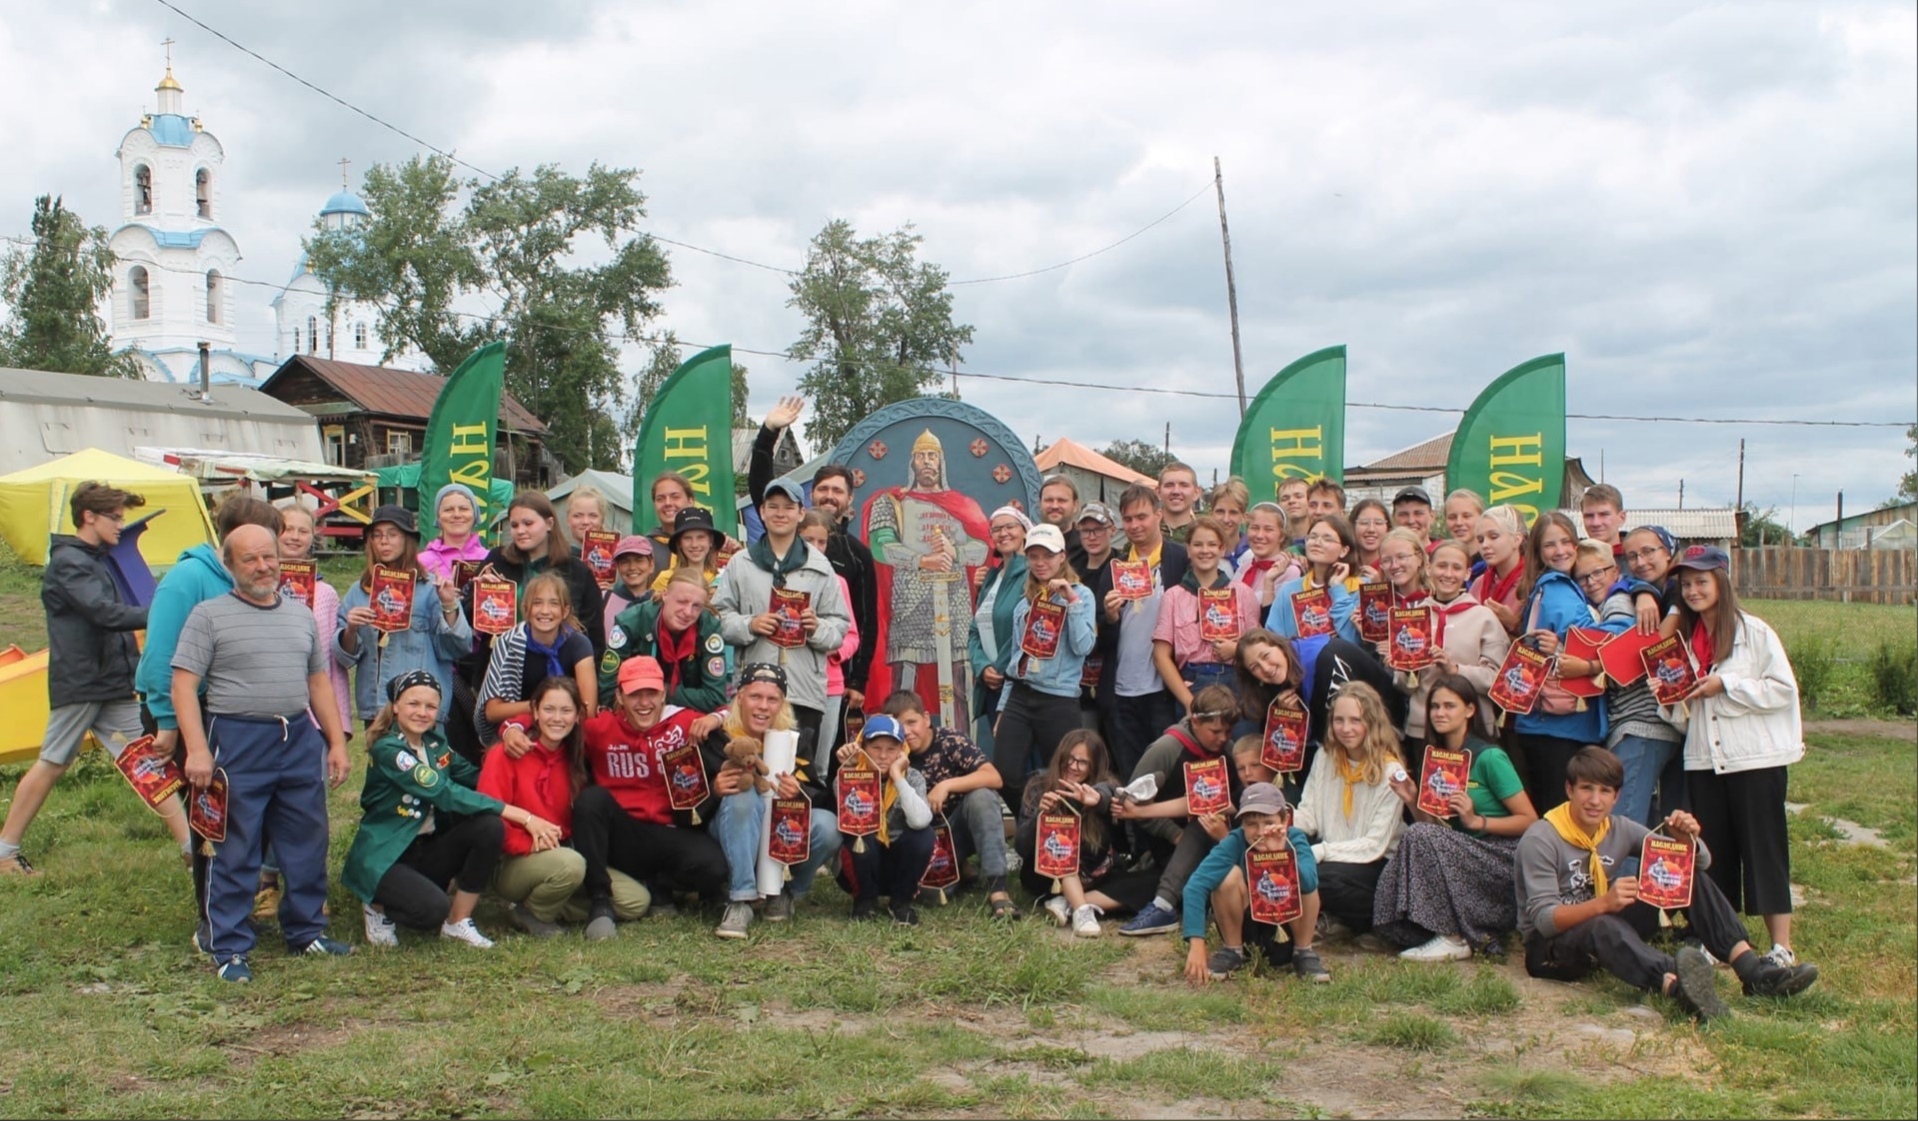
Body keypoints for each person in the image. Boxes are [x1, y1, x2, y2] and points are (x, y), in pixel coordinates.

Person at [1517, 746, 1818, 1022]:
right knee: (1603, 925)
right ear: (1570, 789)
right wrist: (1603, 904)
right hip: (1550, 949)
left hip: (1602, 924)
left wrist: (1687, 840)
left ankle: (1753, 971)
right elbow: (1544, 921)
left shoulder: (1618, 828)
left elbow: (1699, 864)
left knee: (1680, 874)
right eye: (1586, 789)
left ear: (1616, 797)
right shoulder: (1542, 838)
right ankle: (1676, 985)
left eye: (1604, 791)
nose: (1595, 800)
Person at [171, 525, 352, 982]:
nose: (262, 566)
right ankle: (228, 946)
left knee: (307, 839)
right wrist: (195, 749)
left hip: (296, 738)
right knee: (233, 845)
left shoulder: (299, 615)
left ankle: (307, 931)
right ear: (230, 565)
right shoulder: (208, 616)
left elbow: (317, 684)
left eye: (268, 556)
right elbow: (184, 686)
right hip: (235, 739)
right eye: (249, 559)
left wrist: (334, 742)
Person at [1, 482, 191, 877]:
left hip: (112, 681)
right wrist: (163, 612)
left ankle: (193, 848)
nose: (122, 525)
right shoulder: (70, 562)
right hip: (84, 683)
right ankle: (5, 851)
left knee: (149, 760)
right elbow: (104, 613)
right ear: (89, 517)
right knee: (53, 762)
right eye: (115, 518)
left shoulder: (96, 558)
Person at [133, 495, 283, 934]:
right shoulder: (188, 578)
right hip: (184, 712)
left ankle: (238, 905)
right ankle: (212, 919)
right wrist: (166, 723)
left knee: (244, 813)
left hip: (231, 712)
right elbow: (162, 655)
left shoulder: (249, 581)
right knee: (211, 818)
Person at [1671, 545, 1805, 968]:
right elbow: (1679, 716)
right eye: (1686, 584)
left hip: (1754, 760)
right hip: (1704, 760)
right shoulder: (1684, 642)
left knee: (1763, 850)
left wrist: (1725, 686)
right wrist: (1674, 697)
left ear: (1722, 582)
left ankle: (1780, 946)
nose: (1693, 591)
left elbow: (1782, 690)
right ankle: (1721, 943)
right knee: (1717, 853)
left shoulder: (1754, 633)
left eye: (1701, 582)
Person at [343, 672, 529, 950]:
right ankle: (377, 904)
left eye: (430, 707)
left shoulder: (435, 744)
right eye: (413, 704)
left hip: (424, 849)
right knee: (430, 910)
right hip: (387, 855)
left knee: (490, 827)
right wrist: (519, 814)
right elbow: (444, 792)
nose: (422, 712)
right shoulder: (388, 748)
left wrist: (514, 773)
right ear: (395, 706)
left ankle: (458, 921)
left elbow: (475, 777)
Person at [558, 656, 729, 938]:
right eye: (635, 694)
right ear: (619, 696)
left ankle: (659, 885)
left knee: (714, 867)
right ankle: (600, 901)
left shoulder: (684, 721)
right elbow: (553, 722)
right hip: (623, 832)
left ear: (663, 694)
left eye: (651, 693)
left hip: (670, 829)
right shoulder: (600, 727)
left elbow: (733, 712)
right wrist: (512, 727)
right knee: (592, 800)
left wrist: (715, 717)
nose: (644, 702)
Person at [1374, 674, 1538, 961]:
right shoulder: (1437, 759)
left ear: (1470, 710)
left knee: (1417, 836)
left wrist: (1478, 821)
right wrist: (1412, 798)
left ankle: (1454, 936)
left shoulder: (1489, 758)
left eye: (1449, 706)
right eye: (1434, 707)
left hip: (1499, 854)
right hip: (1460, 851)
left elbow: (1530, 821)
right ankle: (1433, 931)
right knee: (1412, 842)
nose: (1440, 713)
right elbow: (1432, 831)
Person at [749, 398, 878, 722]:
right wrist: (768, 433)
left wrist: (857, 680)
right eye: (823, 489)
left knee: (822, 762)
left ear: (849, 499)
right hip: (778, 672)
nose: (829, 496)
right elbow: (761, 489)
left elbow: (864, 621)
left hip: (831, 680)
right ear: (811, 497)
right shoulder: (788, 540)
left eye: (838, 490)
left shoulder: (857, 555)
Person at [863, 429, 992, 731]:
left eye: (932, 455)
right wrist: (923, 560)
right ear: (912, 462)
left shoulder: (961, 505)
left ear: (941, 461)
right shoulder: (893, 503)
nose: (927, 462)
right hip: (910, 607)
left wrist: (956, 552)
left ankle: (962, 748)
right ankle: (896, 748)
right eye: (921, 456)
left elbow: (984, 546)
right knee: (903, 689)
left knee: (959, 685)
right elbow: (881, 544)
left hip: (955, 607)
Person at [713, 478, 852, 755]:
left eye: (788, 507)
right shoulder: (740, 563)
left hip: (804, 691)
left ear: (801, 513)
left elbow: (839, 627)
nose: (780, 513)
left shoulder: (820, 566)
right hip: (754, 694)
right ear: (762, 512)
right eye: (772, 506)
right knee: (751, 769)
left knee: (797, 781)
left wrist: (816, 628)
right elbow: (718, 619)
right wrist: (750, 624)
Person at [706, 663, 843, 938]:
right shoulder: (717, 738)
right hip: (730, 830)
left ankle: (786, 893)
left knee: (828, 826)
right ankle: (741, 899)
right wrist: (715, 790)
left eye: (772, 699)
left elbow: (818, 793)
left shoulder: (794, 740)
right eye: (755, 696)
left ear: (782, 704)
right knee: (742, 797)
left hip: (780, 831)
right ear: (740, 697)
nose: (763, 706)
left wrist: (799, 792)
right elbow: (688, 809)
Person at [1114, 685, 1244, 938]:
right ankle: (1163, 905)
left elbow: (1236, 802)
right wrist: (1174, 834)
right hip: (1170, 841)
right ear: (1195, 721)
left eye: (1228, 731)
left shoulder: (1227, 749)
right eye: (1215, 731)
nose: (1222, 738)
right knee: (1203, 817)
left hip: (1216, 837)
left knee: (1207, 814)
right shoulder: (1166, 749)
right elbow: (1131, 807)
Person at [337, 505, 473, 735]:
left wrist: (449, 604)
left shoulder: (432, 589)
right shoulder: (358, 592)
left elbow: (458, 648)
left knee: (424, 770)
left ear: (408, 540)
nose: (384, 542)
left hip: (422, 710)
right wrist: (350, 629)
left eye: (392, 534)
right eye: (377, 535)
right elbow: (344, 657)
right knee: (382, 769)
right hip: (377, 709)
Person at [475, 676, 595, 938]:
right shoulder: (507, 753)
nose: (557, 718)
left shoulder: (574, 756)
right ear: (535, 713)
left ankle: (541, 903)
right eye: (549, 709)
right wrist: (530, 843)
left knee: (634, 900)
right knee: (571, 866)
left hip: (560, 852)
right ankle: (534, 911)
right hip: (514, 860)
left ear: (577, 716)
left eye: (566, 711)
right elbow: (487, 817)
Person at [882, 689, 1016, 918]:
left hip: (956, 828)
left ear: (926, 718)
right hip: (920, 841)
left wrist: (947, 785)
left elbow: (993, 777)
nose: (906, 732)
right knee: (933, 897)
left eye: (912, 722)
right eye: (898, 726)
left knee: (982, 796)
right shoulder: (890, 752)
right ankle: (960, 869)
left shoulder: (951, 740)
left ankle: (998, 889)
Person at [1180, 783, 1327, 983]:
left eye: (1268, 822)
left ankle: (1304, 952)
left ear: (1285, 822)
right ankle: (1233, 951)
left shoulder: (1295, 839)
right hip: (1249, 930)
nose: (1260, 832)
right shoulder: (1235, 841)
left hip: (1288, 931)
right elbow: (1196, 886)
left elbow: (1309, 883)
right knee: (1228, 876)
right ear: (1242, 825)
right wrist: (1196, 942)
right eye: (1251, 824)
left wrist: (1280, 857)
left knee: (1308, 883)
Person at [992, 524, 1097, 801]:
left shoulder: (1082, 595)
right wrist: (1003, 707)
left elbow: (1084, 646)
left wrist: (1070, 600)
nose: (1040, 563)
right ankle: (1033, 821)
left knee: (1066, 776)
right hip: (1020, 694)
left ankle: (1059, 834)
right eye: (1034, 556)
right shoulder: (1023, 602)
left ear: (1062, 556)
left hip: (1058, 698)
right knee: (1005, 774)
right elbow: (1016, 658)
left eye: (1047, 556)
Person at [1018, 730, 1158, 937]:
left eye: (1082, 762)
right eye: (1070, 758)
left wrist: (1097, 804)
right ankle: (1082, 911)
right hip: (1048, 876)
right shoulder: (1038, 785)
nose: (1073, 766)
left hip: (1098, 873)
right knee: (1063, 845)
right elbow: (1020, 846)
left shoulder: (1106, 786)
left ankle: (1070, 902)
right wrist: (1042, 815)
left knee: (1153, 882)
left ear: (1093, 766)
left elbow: (1122, 837)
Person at [1292, 683, 1406, 937]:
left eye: (1356, 720)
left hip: (1374, 864)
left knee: (1321, 878)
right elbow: (1309, 815)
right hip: (1333, 854)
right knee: (1287, 860)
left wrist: (1320, 851)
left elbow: (1374, 845)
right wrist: (1279, 824)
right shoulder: (1324, 756)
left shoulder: (1390, 771)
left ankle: (1361, 922)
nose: (1345, 729)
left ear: (1372, 722)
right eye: (1339, 720)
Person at [1513, 511, 1607, 812]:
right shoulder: (1557, 588)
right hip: (1559, 724)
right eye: (1550, 545)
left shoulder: (1545, 586)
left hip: (1542, 723)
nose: (1560, 551)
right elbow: (1594, 641)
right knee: (1561, 815)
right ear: (1538, 552)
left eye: (1566, 541)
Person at [1232, 628, 1403, 790]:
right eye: (1255, 667)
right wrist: (1291, 720)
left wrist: (1301, 720)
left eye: (1266, 656)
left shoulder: (1323, 660)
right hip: (1338, 745)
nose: (1266, 668)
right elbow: (1283, 748)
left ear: (1280, 646)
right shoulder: (1272, 683)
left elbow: (1343, 732)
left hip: (1385, 734)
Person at [1100, 484, 1189, 781]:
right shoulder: (1114, 567)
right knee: (1132, 777)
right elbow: (1100, 639)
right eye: (1128, 519)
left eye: (1142, 517)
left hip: (1165, 691)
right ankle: (1135, 830)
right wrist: (1110, 617)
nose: (1135, 525)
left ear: (1159, 515)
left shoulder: (1180, 559)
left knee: (1171, 777)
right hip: (1122, 691)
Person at [1613, 525, 1688, 820]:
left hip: (1658, 717)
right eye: (1632, 556)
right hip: (1669, 716)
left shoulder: (1680, 588)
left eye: (1648, 552)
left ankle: (1628, 868)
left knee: (1626, 819)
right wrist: (1642, 590)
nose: (1640, 562)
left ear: (1668, 552)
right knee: (1666, 815)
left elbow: (1656, 647)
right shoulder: (1651, 589)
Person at [1402, 538, 1509, 741]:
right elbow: (1404, 685)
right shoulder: (1412, 617)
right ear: (1428, 568)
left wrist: (1456, 670)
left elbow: (1497, 680)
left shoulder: (1483, 617)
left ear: (1467, 573)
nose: (1448, 574)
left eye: (1457, 568)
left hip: (1472, 730)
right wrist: (1404, 669)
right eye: (1442, 566)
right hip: (1422, 728)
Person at [833, 715, 935, 925]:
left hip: (899, 864)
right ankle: (865, 900)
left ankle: (901, 902)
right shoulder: (850, 775)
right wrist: (849, 769)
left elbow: (920, 820)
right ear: (862, 747)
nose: (882, 756)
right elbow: (847, 814)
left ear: (902, 750)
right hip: (863, 865)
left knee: (924, 835)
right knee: (858, 829)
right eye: (875, 748)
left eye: (891, 749)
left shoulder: (912, 777)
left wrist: (898, 777)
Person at [1153, 515, 1261, 714]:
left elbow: (1260, 648)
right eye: (1198, 544)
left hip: (1238, 683)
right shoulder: (1173, 596)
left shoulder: (1243, 593)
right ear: (1188, 549)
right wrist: (1188, 701)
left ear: (1222, 549)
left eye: (1212, 544)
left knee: (1241, 746)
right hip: (1194, 682)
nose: (1205, 551)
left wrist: (1237, 650)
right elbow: (1161, 655)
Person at [475, 572, 598, 745]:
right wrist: (540, 707)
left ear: (565, 611)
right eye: (537, 603)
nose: (545, 611)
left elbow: (588, 709)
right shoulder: (509, 643)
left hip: (566, 730)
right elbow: (491, 712)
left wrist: (552, 713)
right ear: (526, 609)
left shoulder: (579, 644)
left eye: (554, 603)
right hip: (519, 731)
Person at [480, 492, 605, 655]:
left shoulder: (577, 570)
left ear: (549, 523)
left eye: (528, 523)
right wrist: (479, 593)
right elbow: (469, 618)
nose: (520, 531)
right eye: (514, 525)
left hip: (559, 669)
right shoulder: (497, 560)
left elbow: (594, 638)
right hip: (503, 664)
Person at [600, 567, 728, 714]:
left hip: (689, 717)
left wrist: (661, 691)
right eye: (682, 602)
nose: (688, 612)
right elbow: (608, 690)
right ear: (665, 594)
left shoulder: (709, 627)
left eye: (697, 606)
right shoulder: (630, 623)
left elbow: (715, 697)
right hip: (637, 714)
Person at [277, 503, 351, 738]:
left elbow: (332, 662)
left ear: (313, 536)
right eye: (287, 529)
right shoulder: (255, 586)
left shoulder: (326, 593)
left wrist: (341, 723)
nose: (294, 537)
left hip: (315, 715)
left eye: (302, 531)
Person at [967, 506, 1031, 752]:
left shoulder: (1032, 575)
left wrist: (1001, 668)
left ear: (1025, 531)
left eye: (1010, 527)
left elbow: (1025, 630)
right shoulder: (991, 579)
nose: (1003, 533)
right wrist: (983, 666)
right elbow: (975, 630)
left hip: (1016, 684)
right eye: (997, 529)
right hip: (992, 683)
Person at [800, 510, 862, 755]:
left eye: (821, 541)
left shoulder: (838, 582)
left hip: (830, 685)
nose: (815, 547)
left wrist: (835, 652)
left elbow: (852, 636)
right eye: (808, 540)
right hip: (794, 683)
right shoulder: (780, 578)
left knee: (821, 766)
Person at [1265, 514, 1362, 645]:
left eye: (1327, 539)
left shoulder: (1361, 588)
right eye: (1312, 537)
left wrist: (1337, 588)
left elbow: (1354, 640)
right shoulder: (1289, 590)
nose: (1317, 542)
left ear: (1344, 551)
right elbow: (1273, 639)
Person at [1074, 502, 1119, 731]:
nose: (1092, 536)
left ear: (1112, 529)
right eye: (1086, 530)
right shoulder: (1072, 571)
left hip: (1113, 675)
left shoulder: (1122, 567)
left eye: (1098, 529)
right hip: (1079, 678)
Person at [1232, 502, 1303, 613]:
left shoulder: (1290, 572)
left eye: (1268, 529)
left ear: (1281, 536)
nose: (1259, 535)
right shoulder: (1244, 568)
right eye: (1254, 528)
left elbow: (1279, 618)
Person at [1470, 505, 1528, 638]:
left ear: (1516, 539)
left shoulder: (1533, 582)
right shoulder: (1479, 583)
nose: (1485, 545)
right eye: (1480, 540)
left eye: (1493, 536)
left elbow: (1544, 641)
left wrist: (1514, 624)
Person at [418, 483, 490, 583]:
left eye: (463, 509)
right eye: (448, 510)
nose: (457, 515)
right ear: (438, 517)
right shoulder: (421, 562)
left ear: (475, 515)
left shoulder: (490, 559)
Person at [651, 506, 724, 596]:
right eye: (687, 538)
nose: (694, 544)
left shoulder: (722, 578)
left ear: (711, 541)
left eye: (700, 537)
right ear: (679, 543)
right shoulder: (665, 579)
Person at [601, 535, 656, 639]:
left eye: (639, 560)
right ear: (617, 567)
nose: (632, 567)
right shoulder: (604, 599)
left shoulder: (659, 602)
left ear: (651, 565)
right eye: (624, 562)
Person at [1038, 473, 1084, 563]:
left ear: (1075, 505)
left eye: (1062, 500)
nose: (1055, 506)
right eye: (1049, 500)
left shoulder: (1086, 549)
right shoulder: (1027, 544)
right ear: (1040, 504)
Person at [1208, 477, 1251, 569]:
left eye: (1233, 512)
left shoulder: (1254, 554)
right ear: (1211, 514)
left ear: (1244, 517)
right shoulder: (1203, 555)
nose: (1226, 519)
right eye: (1220, 511)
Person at [1579, 484, 1628, 559]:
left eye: (1604, 515)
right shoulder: (1573, 560)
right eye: (1589, 516)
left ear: (1622, 518)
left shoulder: (1637, 560)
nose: (1596, 523)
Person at [1157, 461, 1201, 543]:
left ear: (1196, 492)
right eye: (1169, 485)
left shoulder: (1205, 535)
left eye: (1184, 485)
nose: (1176, 491)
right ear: (1158, 492)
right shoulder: (1146, 533)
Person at [1347, 499, 1390, 582]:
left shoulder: (1393, 566)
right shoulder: (1344, 566)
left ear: (1388, 528)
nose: (1371, 529)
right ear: (1352, 526)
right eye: (1364, 523)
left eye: (1378, 523)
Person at [563, 485, 611, 554]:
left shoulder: (615, 555)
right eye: (577, 516)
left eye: (593, 516)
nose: (585, 521)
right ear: (568, 520)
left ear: (602, 519)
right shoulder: (558, 555)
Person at [1442, 488, 1486, 564]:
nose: (1459, 523)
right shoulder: (1440, 561)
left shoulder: (1491, 563)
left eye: (1466, 516)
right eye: (1452, 517)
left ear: (1481, 518)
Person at [1276, 477, 1311, 551]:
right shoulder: (1274, 542)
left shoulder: (1321, 540)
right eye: (1285, 498)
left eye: (1298, 496)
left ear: (1310, 501)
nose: (1291, 501)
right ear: (1278, 504)